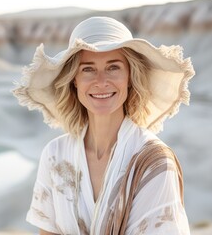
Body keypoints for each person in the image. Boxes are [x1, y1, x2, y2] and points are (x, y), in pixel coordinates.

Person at [13, 16, 195, 235]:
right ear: (74, 80)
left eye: (113, 67)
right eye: (88, 69)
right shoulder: (55, 154)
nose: (101, 81)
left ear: (129, 76)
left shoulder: (154, 161)